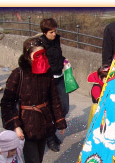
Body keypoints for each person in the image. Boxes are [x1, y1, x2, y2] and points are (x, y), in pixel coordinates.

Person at [0, 36, 67, 163]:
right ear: (28, 56)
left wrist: (60, 122)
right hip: (27, 128)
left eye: (43, 54)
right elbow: (7, 102)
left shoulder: (46, 74)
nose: (41, 58)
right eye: (37, 54)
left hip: (43, 125)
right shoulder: (18, 74)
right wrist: (16, 125)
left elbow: (54, 99)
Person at [39, 18, 69, 152]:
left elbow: (58, 56)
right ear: (45, 33)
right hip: (48, 80)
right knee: (50, 110)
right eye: (51, 32)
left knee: (64, 107)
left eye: (55, 31)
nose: (54, 34)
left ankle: (51, 131)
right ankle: (50, 137)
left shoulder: (56, 40)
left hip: (60, 77)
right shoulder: (40, 44)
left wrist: (64, 61)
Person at [86, 64, 109, 129]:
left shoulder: (106, 86)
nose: (107, 81)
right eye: (105, 79)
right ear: (100, 77)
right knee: (96, 127)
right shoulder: (96, 87)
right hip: (97, 109)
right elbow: (99, 99)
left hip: (105, 108)